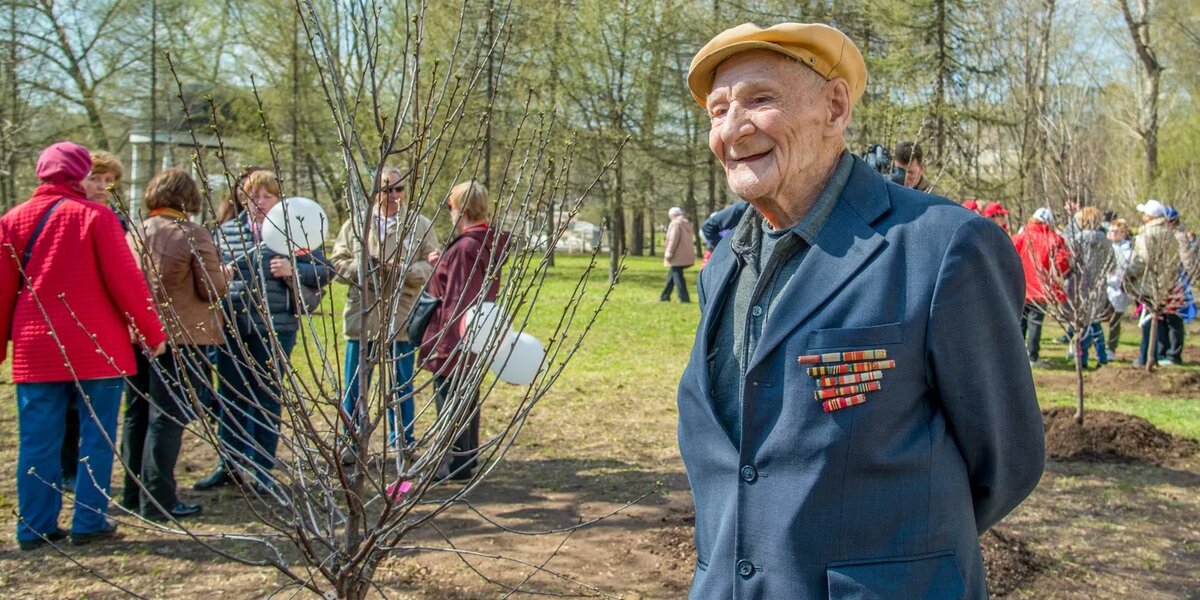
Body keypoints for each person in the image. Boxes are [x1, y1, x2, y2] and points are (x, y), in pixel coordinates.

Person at [680, 23, 1044, 598]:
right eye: (717, 110)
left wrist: (896, 562)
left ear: (835, 105)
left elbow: (1007, 462)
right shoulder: (726, 260)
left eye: (760, 100)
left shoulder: (943, 244)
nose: (731, 128)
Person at [0, 142, 166, 549]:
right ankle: (88, 520)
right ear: (78, 173)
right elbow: (126, 281)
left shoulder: (12, 220)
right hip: (97, 345)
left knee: (37, 439)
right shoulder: (96, 217)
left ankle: (34, 527)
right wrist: (152, 332)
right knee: (97, 434)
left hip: (35, 346)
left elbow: (4, 291)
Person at [194, 170, 333, 491]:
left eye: (266, 196)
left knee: (266, 395)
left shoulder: (295, 231)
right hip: (232, 325)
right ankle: (228, 464)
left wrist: (294, 269)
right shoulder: (226, 232)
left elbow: (326, 270)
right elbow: (204, 273)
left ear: (279, 199)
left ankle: (262, 468)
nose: (259, 202)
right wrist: (219, 275)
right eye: (252, 195)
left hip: (276, 326)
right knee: (231, 393)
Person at [122, 168, 227, 520]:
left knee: (137, 413)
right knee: (167, 417)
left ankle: (132, 492)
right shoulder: (191, 233)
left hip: (137, 334)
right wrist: (225, 274)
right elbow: (210, 287)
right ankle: (158, 499)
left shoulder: (136, 232)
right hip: (183, 337)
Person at [330, 166, 438, 461]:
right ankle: (352, 444)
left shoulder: (419, 225)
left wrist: (403, 271)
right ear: (375, 192)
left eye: (398, 189)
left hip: (402, 315)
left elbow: (433, 267)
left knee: (400, 385)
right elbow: (338, 263)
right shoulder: (356, 225)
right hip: (363, 316)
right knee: (355, 384)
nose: (393, 196)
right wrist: (366, 269)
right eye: (386, 189)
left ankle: (403, 443)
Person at [420, 181, 510, 482]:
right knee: (466, 396)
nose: (449, 213)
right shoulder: (483, 243)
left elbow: (458, 296)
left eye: (450, 206)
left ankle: (452, 461)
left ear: (460, 208)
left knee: (450, 397)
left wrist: (448, 344)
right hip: (475, 333)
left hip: (457, 335)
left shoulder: (467, 247)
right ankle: (465, 456)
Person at [58, 150, 130, 493]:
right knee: (67, 405)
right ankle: (67, 468)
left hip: (105, 325)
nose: (102, 187)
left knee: (92, 408)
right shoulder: (65, 217)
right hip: (66, 321)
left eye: (107, 180)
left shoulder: (116, 219)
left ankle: (84, 477)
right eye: (95, 179)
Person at [1128, 199, 1187, 367]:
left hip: (1149, 283)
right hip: (1167, 283)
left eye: (1144, 213)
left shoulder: (1147, 234)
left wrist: (1129, 274)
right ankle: (1155, 354)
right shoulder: (1170, 233)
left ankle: (1146, 357)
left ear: (1150, 216)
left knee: (1148, 321)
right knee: (1158, 320)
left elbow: (1142, 260)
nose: (1142, 216)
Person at [1013, 207, 1070, 368]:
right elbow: (1062, 264)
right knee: (1035, 323)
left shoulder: (1021, 237)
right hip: (1040, 288)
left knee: (1020, 322)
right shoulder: (1055, 240)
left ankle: (1017, 355)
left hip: (1020, 286)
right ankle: (1032, 355)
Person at [1066, 207, 1111, 367]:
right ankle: (1102, 357)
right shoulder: (1106, 241)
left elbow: (1070, 262)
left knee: (1081, 324)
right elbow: (1112, 263)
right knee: (1095, 322)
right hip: (1099, 285)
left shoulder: (1077, 240)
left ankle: (1082, 359)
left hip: (1081, 285)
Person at [1106, 218, 1135, 354]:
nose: (1112, 234)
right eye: (1111, 231)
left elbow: (1125, 269)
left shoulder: (1127, 250)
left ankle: (1111, 348)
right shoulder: (1105, 245)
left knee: (1115, 320)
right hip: (1104, 287)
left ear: (1123, 233)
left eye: (1116, 231)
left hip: (1118, 288)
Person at [660, 206, 696, 302]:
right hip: (685, 254)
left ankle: (684, 298)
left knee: (677, 276)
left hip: (677, 254)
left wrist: (668, 253)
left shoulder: (675, 224)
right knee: (672, 274)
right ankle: (664, 296)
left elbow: (673, 239)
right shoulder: (687, 223)